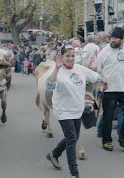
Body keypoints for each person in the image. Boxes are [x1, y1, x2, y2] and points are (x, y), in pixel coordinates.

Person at [45, 45, 107, 178]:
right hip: (63, 110)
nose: (70, 58)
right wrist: (56, 68)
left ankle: (54, 154)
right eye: (67, 56)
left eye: (72, 56)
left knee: (72, 138)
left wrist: (103, 80)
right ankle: (74, 173)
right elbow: (49, 85)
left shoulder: (80, 69)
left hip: (77, 109)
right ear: (61, 57)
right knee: (72, 138)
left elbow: (95, 77)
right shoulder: (58, 71)